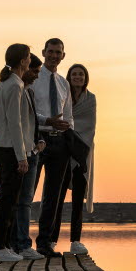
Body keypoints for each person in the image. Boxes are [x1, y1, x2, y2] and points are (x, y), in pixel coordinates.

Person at [0, 54, 45, 260]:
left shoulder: (22, 88)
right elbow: (10, 124)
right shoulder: (11, 87)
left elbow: (26, 123)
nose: (37, 75)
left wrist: (34, 144)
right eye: (34, 70)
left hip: (20, 149)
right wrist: (18, 153)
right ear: (23, 63)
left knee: (15, 199)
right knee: (6, 198)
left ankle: (7, 245)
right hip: (9, 149)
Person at [30, 38, 74, 257]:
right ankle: (17, 241)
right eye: (51, 51)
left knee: (53, 196)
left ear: (63, 56)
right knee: (27, 192)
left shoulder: (64, 84)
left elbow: (69, 117)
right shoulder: (34, 80)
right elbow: (27, 114)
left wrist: (70, 141)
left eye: (58, 52)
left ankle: (45, 243)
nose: (54, 56)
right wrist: (48, 121)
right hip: (38, 138)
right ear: (44, 52)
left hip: (60, 142)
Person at [51, 64, 96, 255]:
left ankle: (75, 241)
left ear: (86, 78)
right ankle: (51, 240)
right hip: (62, 150)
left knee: (77, 198)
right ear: (69, 77)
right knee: (57, 198)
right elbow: (60, 120)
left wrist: (73, 139)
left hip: (82, 151)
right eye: (74, 74)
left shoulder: (91, 99)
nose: (78, 77)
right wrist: (65, 137)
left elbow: (89, 126)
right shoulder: (62, 94)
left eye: (81, 74)